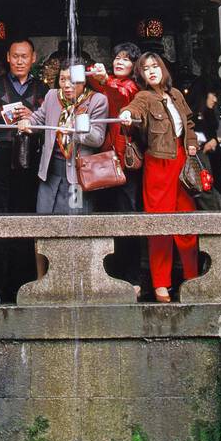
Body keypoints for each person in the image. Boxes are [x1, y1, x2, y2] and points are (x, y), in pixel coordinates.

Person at [118, 52, 199, 304]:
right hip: (158, 164)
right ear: (140, 75)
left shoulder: (175, 95)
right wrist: (127, 114)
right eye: (145, 68)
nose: (151, 71)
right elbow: (133, 110)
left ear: (163, 69)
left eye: (155, 66)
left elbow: (190, 125)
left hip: (182, 162)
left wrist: (193, 144)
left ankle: (192, 278)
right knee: (160, 224)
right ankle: (161, 284)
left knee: (187, 221)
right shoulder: (143, 96)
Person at [0, 37, 47, 303]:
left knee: (25, 216)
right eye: (15, 56)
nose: (19, 61)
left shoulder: (43, 88)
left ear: (33, 58)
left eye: (24, 56)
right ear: (8, 57)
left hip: (30, 159)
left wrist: (31, 116)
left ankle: (22, 283)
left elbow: (50, 120)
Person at [88, 42, 143, 288]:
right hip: (104, 159)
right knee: (104, 214)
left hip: (125, 163)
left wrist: (105, 80)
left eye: (126, 59)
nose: (120, 62)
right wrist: (95, 73)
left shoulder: (134, 88)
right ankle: (108, 273)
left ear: (134, 66)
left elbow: (123, 98)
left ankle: (132, 277)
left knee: (127, 215)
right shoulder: (107, 82)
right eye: (117, 58)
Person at [23, 60, 107, 217]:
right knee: (44, 218)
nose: (67, 85)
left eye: (72, 80)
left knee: (76, 220)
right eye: (63, 79)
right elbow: (38, 119)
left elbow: (97, 138)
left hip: (79, 176)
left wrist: (73, 131)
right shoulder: (52, 96)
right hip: (50, 172)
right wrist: (27, 122)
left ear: (84, 79)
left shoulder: (97, 100)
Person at [188, 81, 221, 212]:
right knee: (206, 195)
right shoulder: (191, 119)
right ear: (204, 95)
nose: (215, 100)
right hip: (201, 163)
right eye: (213, 95)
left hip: (213, 166)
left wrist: (214, 141)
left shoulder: (209, 115)